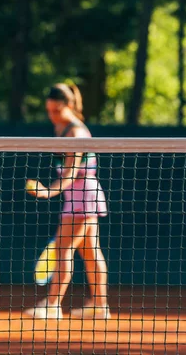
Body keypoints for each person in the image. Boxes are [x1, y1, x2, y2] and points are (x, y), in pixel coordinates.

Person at [24, 82, 110, 320]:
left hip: (82, 195)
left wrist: (47, 192)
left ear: (68, 106)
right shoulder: (61, 128)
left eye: (56, 111)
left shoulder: (76, 132)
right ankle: (99, 306)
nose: (52, 116)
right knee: (91, 252)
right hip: (79, 196)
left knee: (63, 249)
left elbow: (72, 174)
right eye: (49, 111)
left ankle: (53, 305)